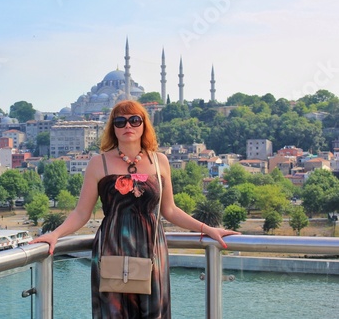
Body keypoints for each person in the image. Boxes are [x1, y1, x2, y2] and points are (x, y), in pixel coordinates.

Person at [30, 100, 239, 318]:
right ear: (113, 128)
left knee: (153, 312)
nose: (127, 125)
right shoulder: (98, 163)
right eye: (120, 122)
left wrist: (207, 229)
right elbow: (81, 213)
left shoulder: (160, 161)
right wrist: (54, 234)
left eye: (134, 120)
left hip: (152, 250)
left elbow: (170, 210)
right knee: (114, 313)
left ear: (143, 125)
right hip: (112, 249)